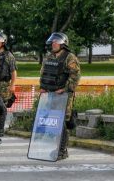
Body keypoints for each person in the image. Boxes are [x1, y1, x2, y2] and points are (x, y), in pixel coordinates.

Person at [39, 32, 81, 160]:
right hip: (50, 94)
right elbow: (44, 73)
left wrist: (64, 88)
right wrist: (42, 87)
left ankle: (61, 151)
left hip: (63, 95)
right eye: (53, 41)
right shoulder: (49, 57)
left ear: (63, 44)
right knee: (54, 122)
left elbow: (75, 76)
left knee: (61, 121)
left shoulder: (69, 57)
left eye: (57, 41)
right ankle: (61, 149)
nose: (54, 43)